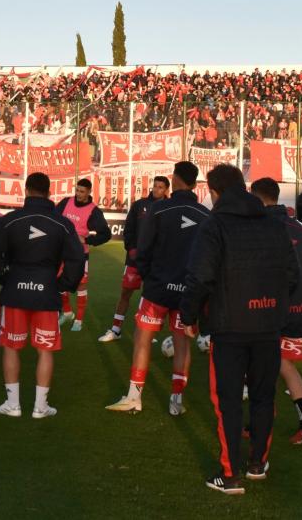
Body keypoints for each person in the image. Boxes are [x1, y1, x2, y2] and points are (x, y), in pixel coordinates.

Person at [178, 164, 298, 495]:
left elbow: (200, 276)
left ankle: (230, 475)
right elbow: (292, 274)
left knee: (228, 402)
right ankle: (257, 463)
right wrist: (273, 305)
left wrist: (188, 317)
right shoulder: (273, 224)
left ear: (214, 192)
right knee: (262, 396)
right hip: (267, 326)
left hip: (230, 329)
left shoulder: (214, 224)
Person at [106, 162, 208, 415]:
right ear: (195, 184)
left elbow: (144, 248)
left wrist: (149, 275)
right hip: (187, 291)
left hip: (157, 288)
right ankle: (176, 400)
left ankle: (133, 397)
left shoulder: (159, 208)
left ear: (174, 179)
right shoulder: (206, 216)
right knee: (182, 343)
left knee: (143, 338)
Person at [0, 172, 85, 418]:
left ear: (27, 190)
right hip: (47, 292)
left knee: (11, 346)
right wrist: (63, 284)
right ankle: (40, 407)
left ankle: (13, 405)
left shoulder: (10, 220)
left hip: (15, 291)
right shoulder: (62, 223)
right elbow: (77, 257)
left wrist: (2, 278)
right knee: (45, 349)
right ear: (49, 193)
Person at [250, 178, 302, 444]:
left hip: (269, 306)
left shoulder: (262, 226)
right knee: (281, 363)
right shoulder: (299, 227)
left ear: (257, 198)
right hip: (299, 305)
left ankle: (262, 421)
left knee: (259, 363)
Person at [98, 175, 170, 342]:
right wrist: (131, 248)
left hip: (155, 262)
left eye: (160, 187)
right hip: (135, 260)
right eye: (155, 185)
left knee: (150, 297)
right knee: (125, 293)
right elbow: (129, 229)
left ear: (166, 190)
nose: (156, 189)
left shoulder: (168, 208)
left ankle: (146, 330)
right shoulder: (139, 205)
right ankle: (116, 329)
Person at [56, 178, 112, 331]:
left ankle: (79, 319)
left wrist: (87, 239)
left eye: (82, 191)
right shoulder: (66, 202)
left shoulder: (93, 211)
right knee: (59, 282)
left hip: (80, 255)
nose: (78, 194)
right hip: (62, 252)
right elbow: (54, 218)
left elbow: (106, 234)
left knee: (81, 285)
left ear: (88, 192)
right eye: (77, 190)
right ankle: (67, 312)